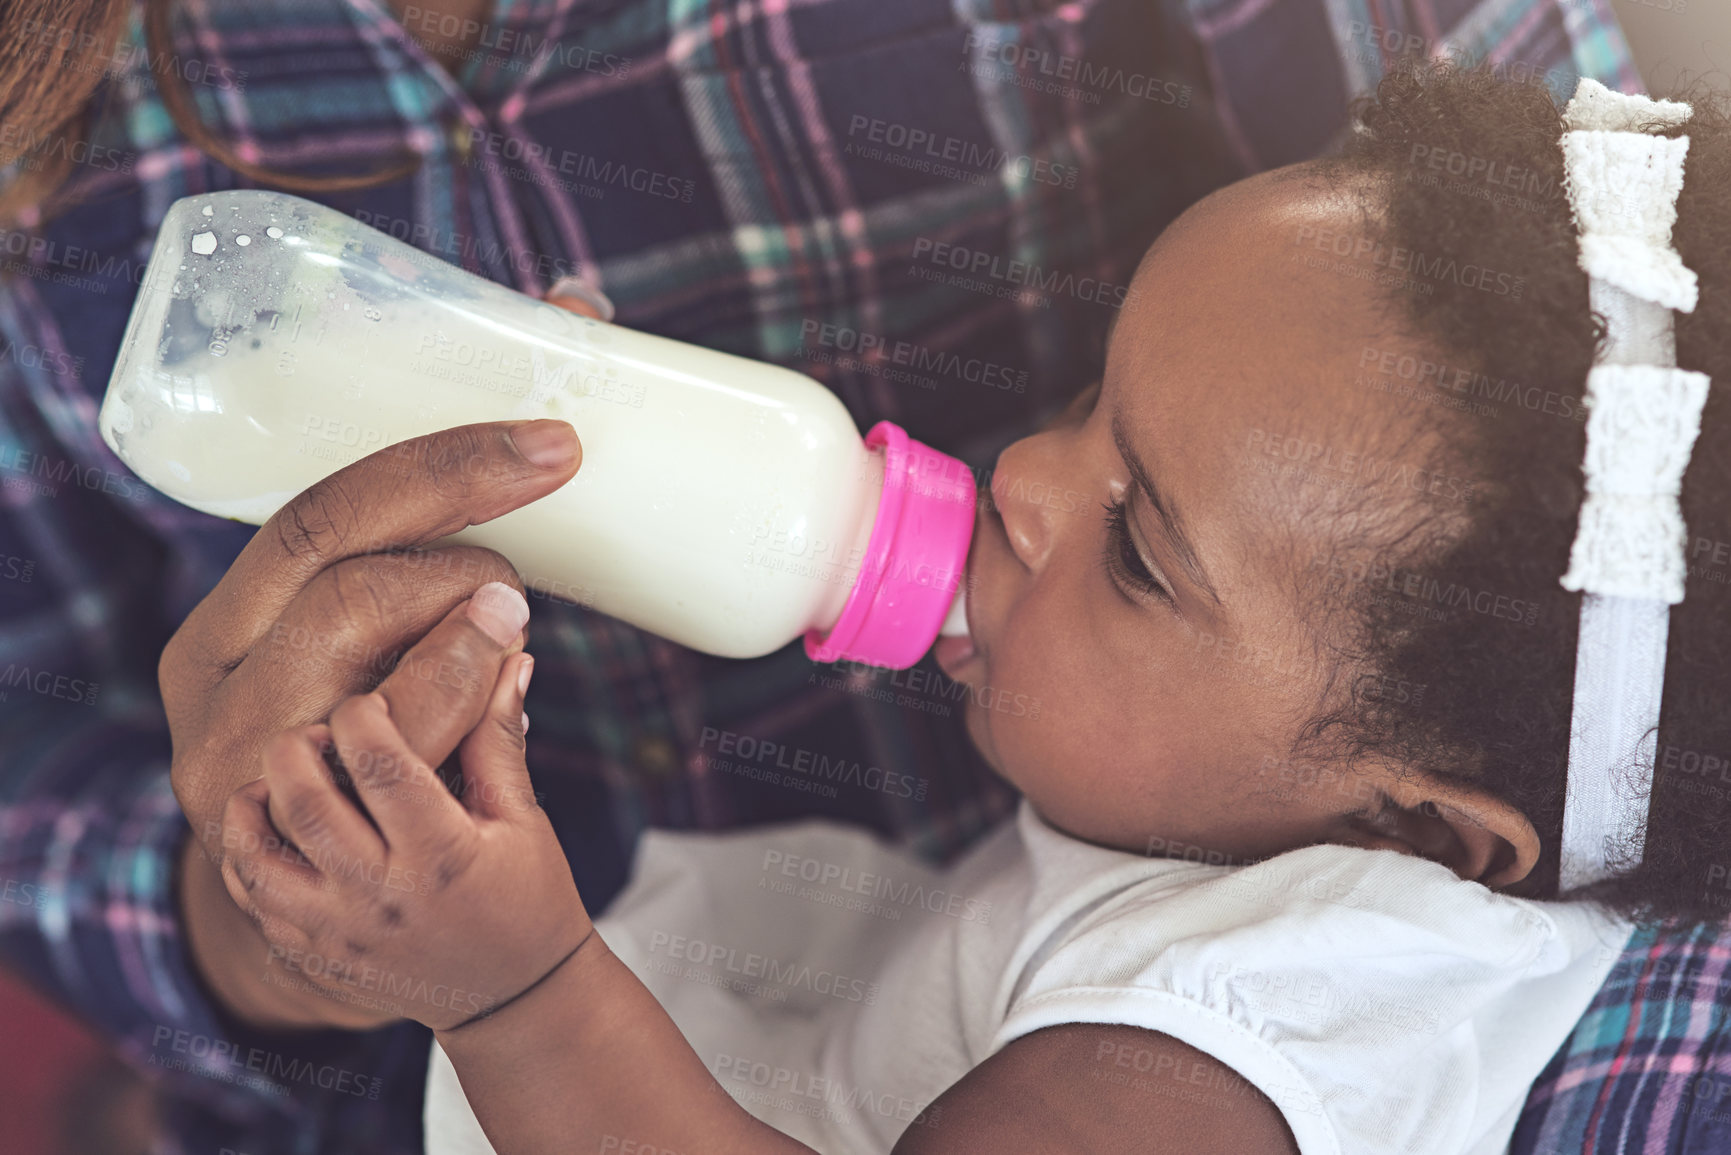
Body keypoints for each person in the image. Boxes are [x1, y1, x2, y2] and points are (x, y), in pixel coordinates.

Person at [210, 63, 1731, 1155]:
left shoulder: (1271, 1024)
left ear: (1419, 834)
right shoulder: (1281, 850)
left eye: (1139, 551)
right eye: (1088, 398)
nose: (1025, 480)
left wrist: (521, 996)